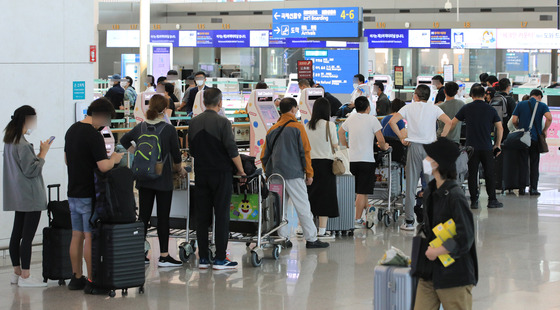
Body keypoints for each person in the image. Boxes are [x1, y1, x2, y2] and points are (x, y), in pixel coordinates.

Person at [64, 98, 124, 294]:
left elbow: (66, 159)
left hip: (72, 191)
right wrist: (114, 158)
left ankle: (76, 277)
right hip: (90, 192)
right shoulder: (93, 135)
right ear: (101, 115)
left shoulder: (72, 130)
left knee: (76, 235)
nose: (106, 124)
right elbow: (103, 166)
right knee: (89, 236)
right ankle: (92, 279)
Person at [120, 94, 185, 267]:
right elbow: (176, 155)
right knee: (163, 217)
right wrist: (180, 169)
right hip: (162, 178)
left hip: (143, 177)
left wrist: (137, 154)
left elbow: (124, 140)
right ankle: (164, 255)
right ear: (164, 110)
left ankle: (139, 252)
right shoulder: (168, 129)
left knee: (143, 217)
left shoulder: (140, 127)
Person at [413, 137, 478, 310]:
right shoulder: (430, 192)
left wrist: (439, 250)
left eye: (428, 157)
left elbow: (466, 237)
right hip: (429, 272)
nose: (425, 160)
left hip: (454, 275)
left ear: (437, 163)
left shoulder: (455, 197)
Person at [188, 88, 246, 269]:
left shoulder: (193, 122)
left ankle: (203, 258)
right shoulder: (223, 122)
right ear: (220, 103)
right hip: (221, 173)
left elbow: (192, 151)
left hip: (201, 173)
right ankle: (221, 258)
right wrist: (241, 170)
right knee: (221, 215)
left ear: (204, 102)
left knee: (202, 216)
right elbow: (232, 149)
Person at [261, 97, 329, 249]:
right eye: (296, 108)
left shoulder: (272, 129)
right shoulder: (298, 128)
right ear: (292, 109)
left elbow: (264, 155)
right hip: (294, 174)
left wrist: (268, 173)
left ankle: (283, 238)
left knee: (279, 208)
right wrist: (309, 173)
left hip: (275, 176)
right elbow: (305, 152)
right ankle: (311, 238)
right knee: (303, 206)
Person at [389, 84, 452, 231]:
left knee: (411, 185)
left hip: (414, 147)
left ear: (416, 96)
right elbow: (449, 122)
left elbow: (392, 121)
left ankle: (409, 221)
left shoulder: (408, 108)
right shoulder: (434, 108)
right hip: (430, 149)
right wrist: (441, 138)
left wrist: (401, 137)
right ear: (428, 96)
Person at [3, 106, 52, 288]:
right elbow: (31, 170)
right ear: (27, 119)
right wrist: (44, 152)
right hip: (30, 196)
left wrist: (38, 153)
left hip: (17, 195)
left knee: (16, 233)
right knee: (27, 237)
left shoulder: (10, 140)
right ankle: (26, 274)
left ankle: (16, 273)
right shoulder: (23, 144)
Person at [339, 96, 390, 229]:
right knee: (362, 191)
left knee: (362, 191)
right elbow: (381, 139)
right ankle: (357, 219)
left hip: (352, 160)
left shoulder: (350, 118)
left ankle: (369, 208)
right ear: (368, 107)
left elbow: (340, 131)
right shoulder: (372, 119)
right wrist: (385, 147)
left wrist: (345, 146)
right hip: (367, 160)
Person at [450, 85, 504, 209]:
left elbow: (453, 123)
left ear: (471, 95)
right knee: (489, 173)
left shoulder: (466, 108)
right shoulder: (490, 109)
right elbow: (499, 127)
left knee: (472, 174)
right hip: (486, 147)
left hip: (471, 148)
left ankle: (474, 201)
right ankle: (492, 200)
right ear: (484, 95)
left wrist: (445, 135)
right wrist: (497, 144)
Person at [305, 98, 339, 240]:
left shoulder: (307, 126)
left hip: (310, 164)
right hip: (326, 164)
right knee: (325, 197)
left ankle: (304, 228)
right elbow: (335, 144)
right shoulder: (329, 125)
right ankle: (322, 231)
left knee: (309, 196)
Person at [511, 89, 553, 196]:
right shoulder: (542, 105)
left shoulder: (520, 104)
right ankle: (533, 189)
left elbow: (514, 120)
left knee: (522, 163)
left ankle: (521, 189)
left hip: (523, 139)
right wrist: (544, 130)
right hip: (535, 139)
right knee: (534, 164)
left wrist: (519, 127)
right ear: (539, 96)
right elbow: (549, 118)